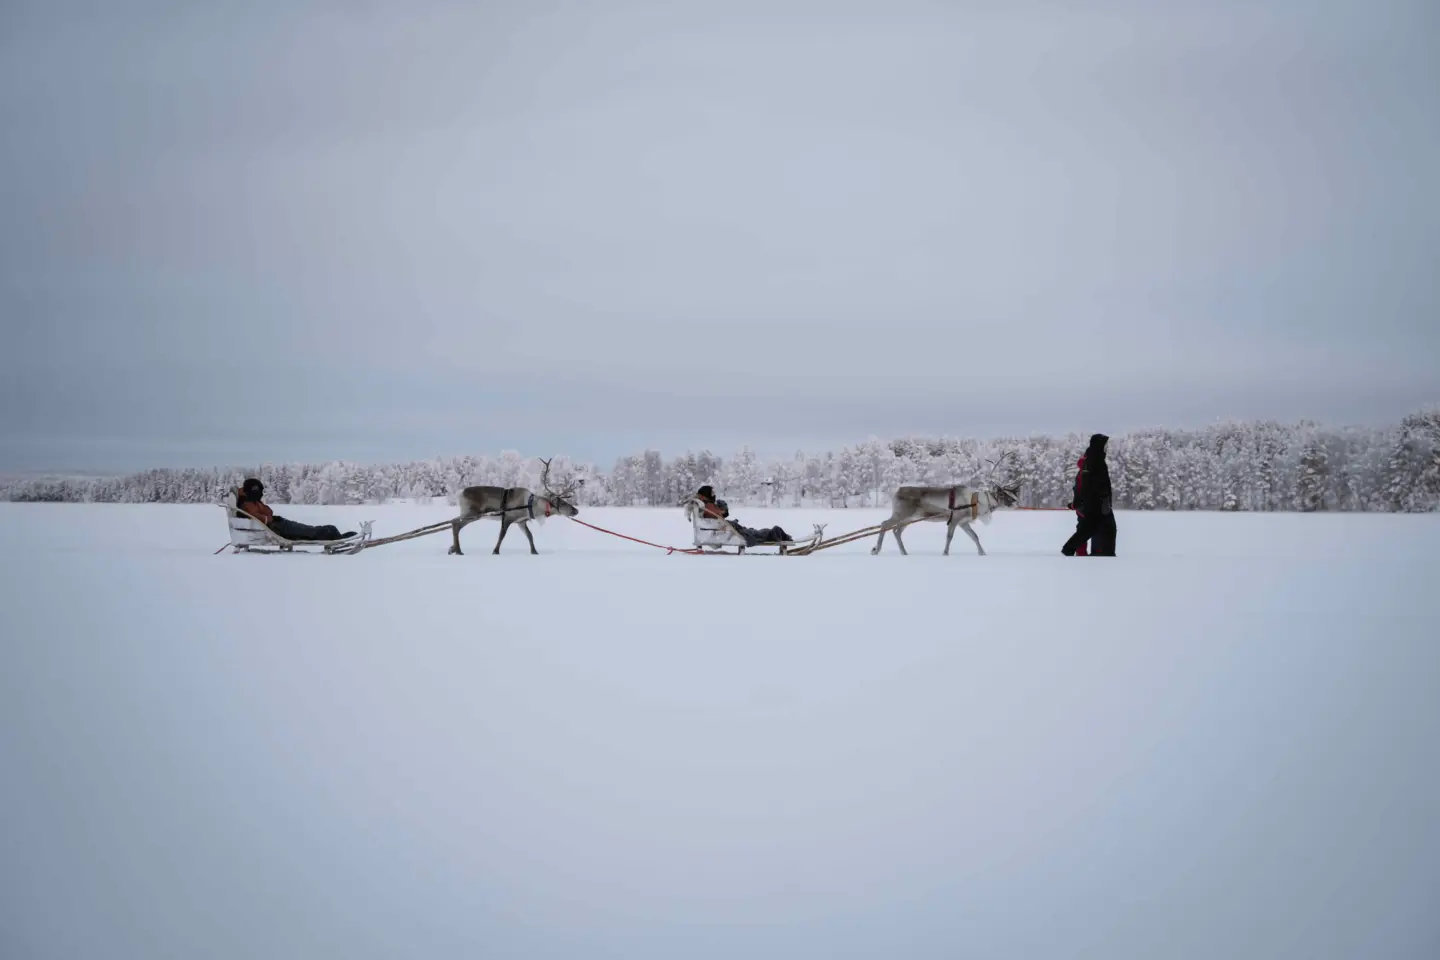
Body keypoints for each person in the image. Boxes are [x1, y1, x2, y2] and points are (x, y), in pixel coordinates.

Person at [234, 478, 357, 542]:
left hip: (278, 525)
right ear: (254, 490)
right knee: (309, 531)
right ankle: (334, 536)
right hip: (277, 529)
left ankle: (334, 534)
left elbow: (268, 511)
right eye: (260, 491)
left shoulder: (252, 501)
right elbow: (263, 517)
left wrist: (269, 516)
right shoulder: (247, 504)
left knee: (309, 530)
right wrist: (269, 518)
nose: (261, 494)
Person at [1061, 434, 1117, 556]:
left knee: (1093, 529)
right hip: (1096, 504)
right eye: (1105, 444)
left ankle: (1104, 553)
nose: (1107, 447)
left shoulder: (1094, 459)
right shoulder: (1094, 461)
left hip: (1098, 503)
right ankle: (1104, 553)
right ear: (1099, 445)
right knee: (1096, 528)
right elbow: (1087, 484)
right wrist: (1097, 498)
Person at [695, 485, 793, 546]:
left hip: (730, 530)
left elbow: (718, 517)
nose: (713, 495)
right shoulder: (708, 505)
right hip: (733, 533)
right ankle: (778, 534)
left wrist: (723, 512)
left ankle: (780, 535)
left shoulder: (705, 505)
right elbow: (719, 515)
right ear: (706, 494)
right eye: (712, 493)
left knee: (756, 532)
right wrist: (724, 510)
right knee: (759, 533)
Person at [1064, 454, 1089, 556]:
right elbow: (1080, 492)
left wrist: (1074, 505)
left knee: (1083, 530)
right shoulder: (1085, 474)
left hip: (1083, 508)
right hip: (1085, 508)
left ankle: (1080, 551)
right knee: (1085, 530)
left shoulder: (1082, 474)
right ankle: (1080, 552)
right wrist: (1075, 504)